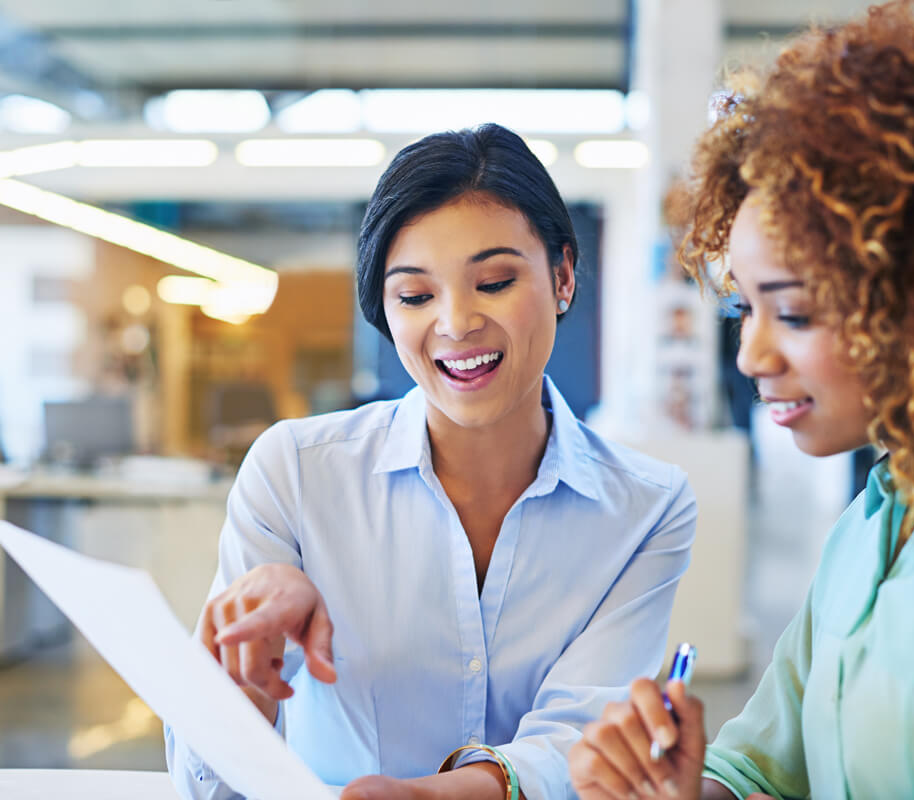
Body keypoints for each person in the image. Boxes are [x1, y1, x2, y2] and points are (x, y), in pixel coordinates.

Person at [568, 2, 914, 798]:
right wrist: (677, 787)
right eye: (745, 308)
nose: (752, 355)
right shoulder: (877, 520)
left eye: (796, 312)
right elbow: (761, 771)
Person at [165, 123, 698, 800]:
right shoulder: (295, 474)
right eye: (415, 296)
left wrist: (425, 796)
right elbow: (202, 783)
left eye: (495, 280)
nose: (456, 322)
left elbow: (584, 740)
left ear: (563, 275)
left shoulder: (647, 507)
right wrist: (241, 682)